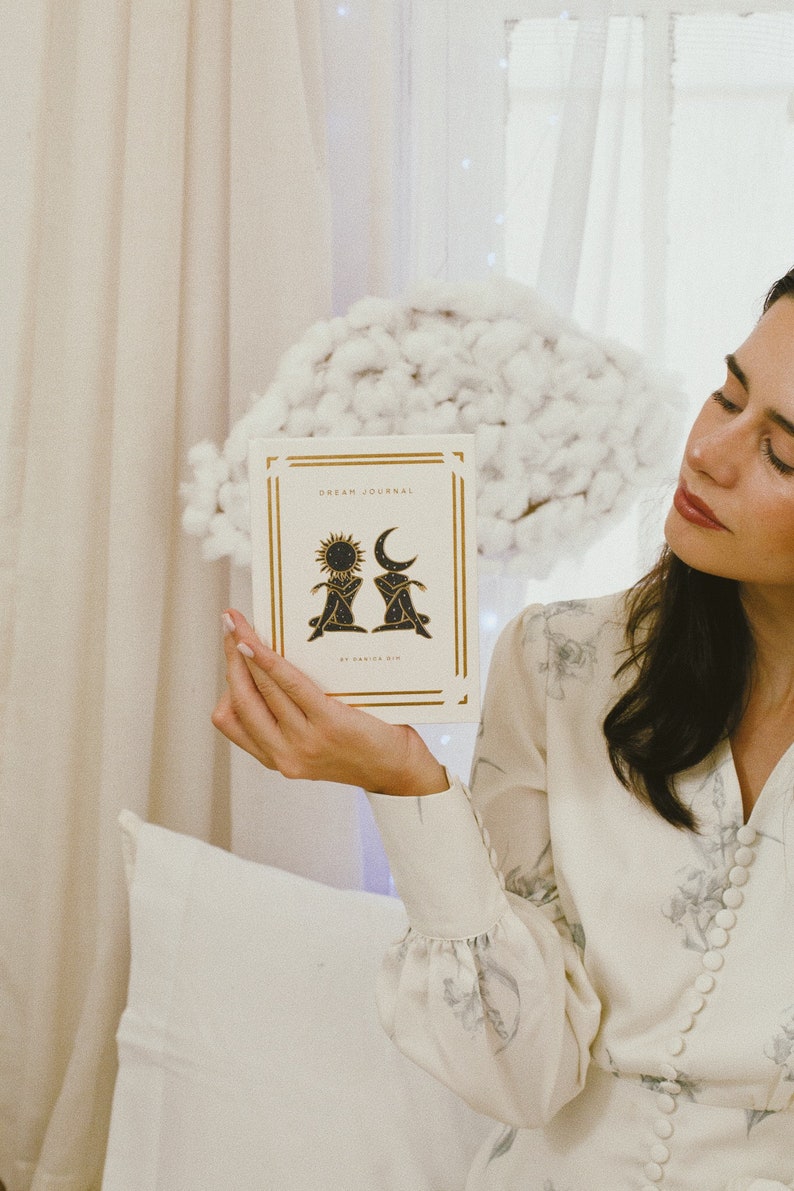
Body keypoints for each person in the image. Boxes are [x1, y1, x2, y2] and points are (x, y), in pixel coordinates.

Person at [212, 270, 794, 1191]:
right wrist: (410, 788)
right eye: (728, 394)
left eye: (782, 455)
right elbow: (522, 1076)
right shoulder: (561, 661)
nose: (711, 453)